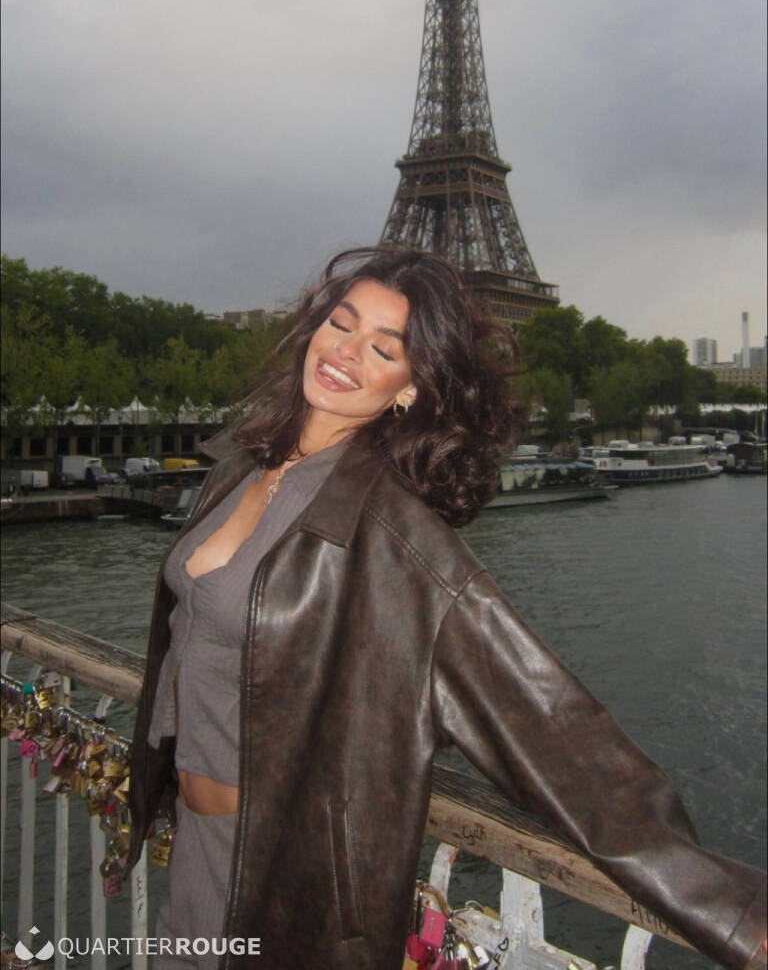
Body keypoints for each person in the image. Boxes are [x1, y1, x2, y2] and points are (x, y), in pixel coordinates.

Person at [127, 247, 766, 970]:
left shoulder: (388, 532)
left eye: (383, 348)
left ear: (410, 387)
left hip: (281, 882)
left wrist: (729, 906)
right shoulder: (240, 465)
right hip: (192, 845)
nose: (345, 352)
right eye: (341, 323)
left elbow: (540, 719)